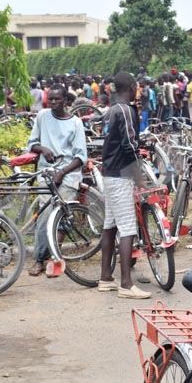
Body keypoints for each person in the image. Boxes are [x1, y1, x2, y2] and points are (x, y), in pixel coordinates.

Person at [98, 72, 151, 299]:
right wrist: (138, 176)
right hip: (121, 175)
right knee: (128, 228)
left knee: (110, 225)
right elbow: (130, 145)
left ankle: (105, 278)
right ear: (132, 87)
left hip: (109, 173)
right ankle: (126, 284)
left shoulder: (110, 112)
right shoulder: (126, 111)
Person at [26, 86, 88, 276]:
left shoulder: (75, 123)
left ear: (65, 101)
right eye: (50, 99)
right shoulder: (42, 117)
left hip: (68, 173)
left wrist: (62, 172)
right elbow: (32, 144)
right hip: (47, 173)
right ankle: (39, 259)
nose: (53, 102)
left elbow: (80, 157)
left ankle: (55, 257)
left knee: (61, 217)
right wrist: (43, 149)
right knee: (44, 218)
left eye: (57, 99)